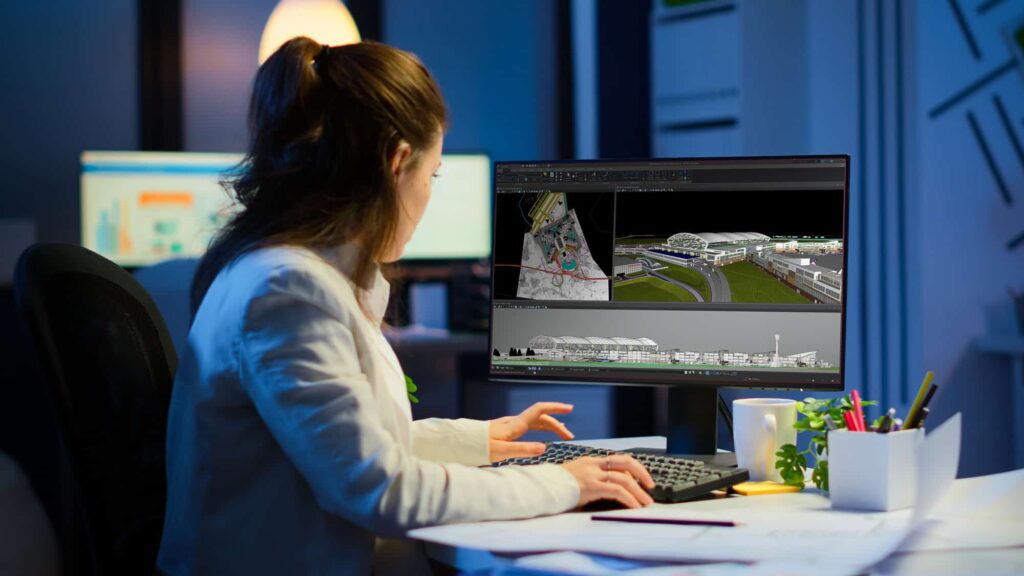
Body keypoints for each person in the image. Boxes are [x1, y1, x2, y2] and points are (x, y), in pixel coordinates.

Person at [157, 37, 654, 575]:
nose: (429, 193)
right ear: (397, 162)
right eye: (432, 174)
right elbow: (379, 488)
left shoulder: (275, 271)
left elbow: (346, 444)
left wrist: (480, 439)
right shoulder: (289, 291)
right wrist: (564, 483)